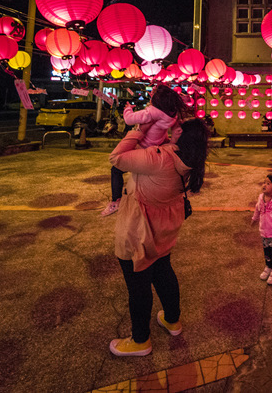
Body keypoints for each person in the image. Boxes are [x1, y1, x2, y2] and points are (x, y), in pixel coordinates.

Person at [107, 117, 209, 357]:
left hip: (139, 229)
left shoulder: (159, 158)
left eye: (176, 126)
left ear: (181, 132)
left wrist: (140, 128)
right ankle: (173, 320)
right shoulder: (190, 160)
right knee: (163, 271)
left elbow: (117, 158)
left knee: (139, 285)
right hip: (165, 227)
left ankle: (140, 340)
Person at [101, 86, 188, 217]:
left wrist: (128, 109)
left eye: (153, 94)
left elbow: (129, 119)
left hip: (143, 148)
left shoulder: (153, 112)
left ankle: (116, 201)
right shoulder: (172, 114)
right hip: (158, 146)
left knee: (116, 167)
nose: (151, 96)